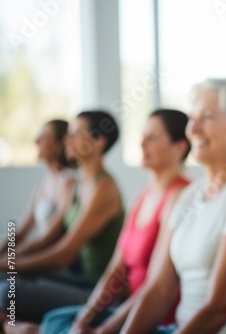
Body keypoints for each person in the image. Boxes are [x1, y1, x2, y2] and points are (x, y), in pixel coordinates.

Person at [120, 78, 226, 333]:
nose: (192, 129)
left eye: (207, 117)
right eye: (192, 118)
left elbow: (219, 309)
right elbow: (158, 289)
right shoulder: (188, 194)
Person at [39, 109, 191, 333]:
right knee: (53, 321)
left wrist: (105, 330)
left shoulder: (182, 196)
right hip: (123, 311)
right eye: (142, 136)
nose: (141, 144)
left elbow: (156, 289)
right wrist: (84, 319)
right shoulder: (144, 195)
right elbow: (116, 268)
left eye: (152, 138)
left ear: (180, 147)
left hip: (151, 320)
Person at [0, 110, 124, 331]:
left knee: (6, 292)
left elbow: (64, 255)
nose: (67, 139)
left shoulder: (104, 188)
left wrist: (8, 265)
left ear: (98, 141)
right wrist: (9, 261)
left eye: (76, 133)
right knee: (5, 282)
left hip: (96, 290)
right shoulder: (79, 184)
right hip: (78, 277)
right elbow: (50, 239)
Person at [0, 120, 75, 255]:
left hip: (52, 261)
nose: (36, 141)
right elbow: (22, 231)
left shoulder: (68, 182)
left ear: (59, 145)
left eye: (43, 138)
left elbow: (49, 238)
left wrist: (10, 260)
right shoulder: (43, 183)